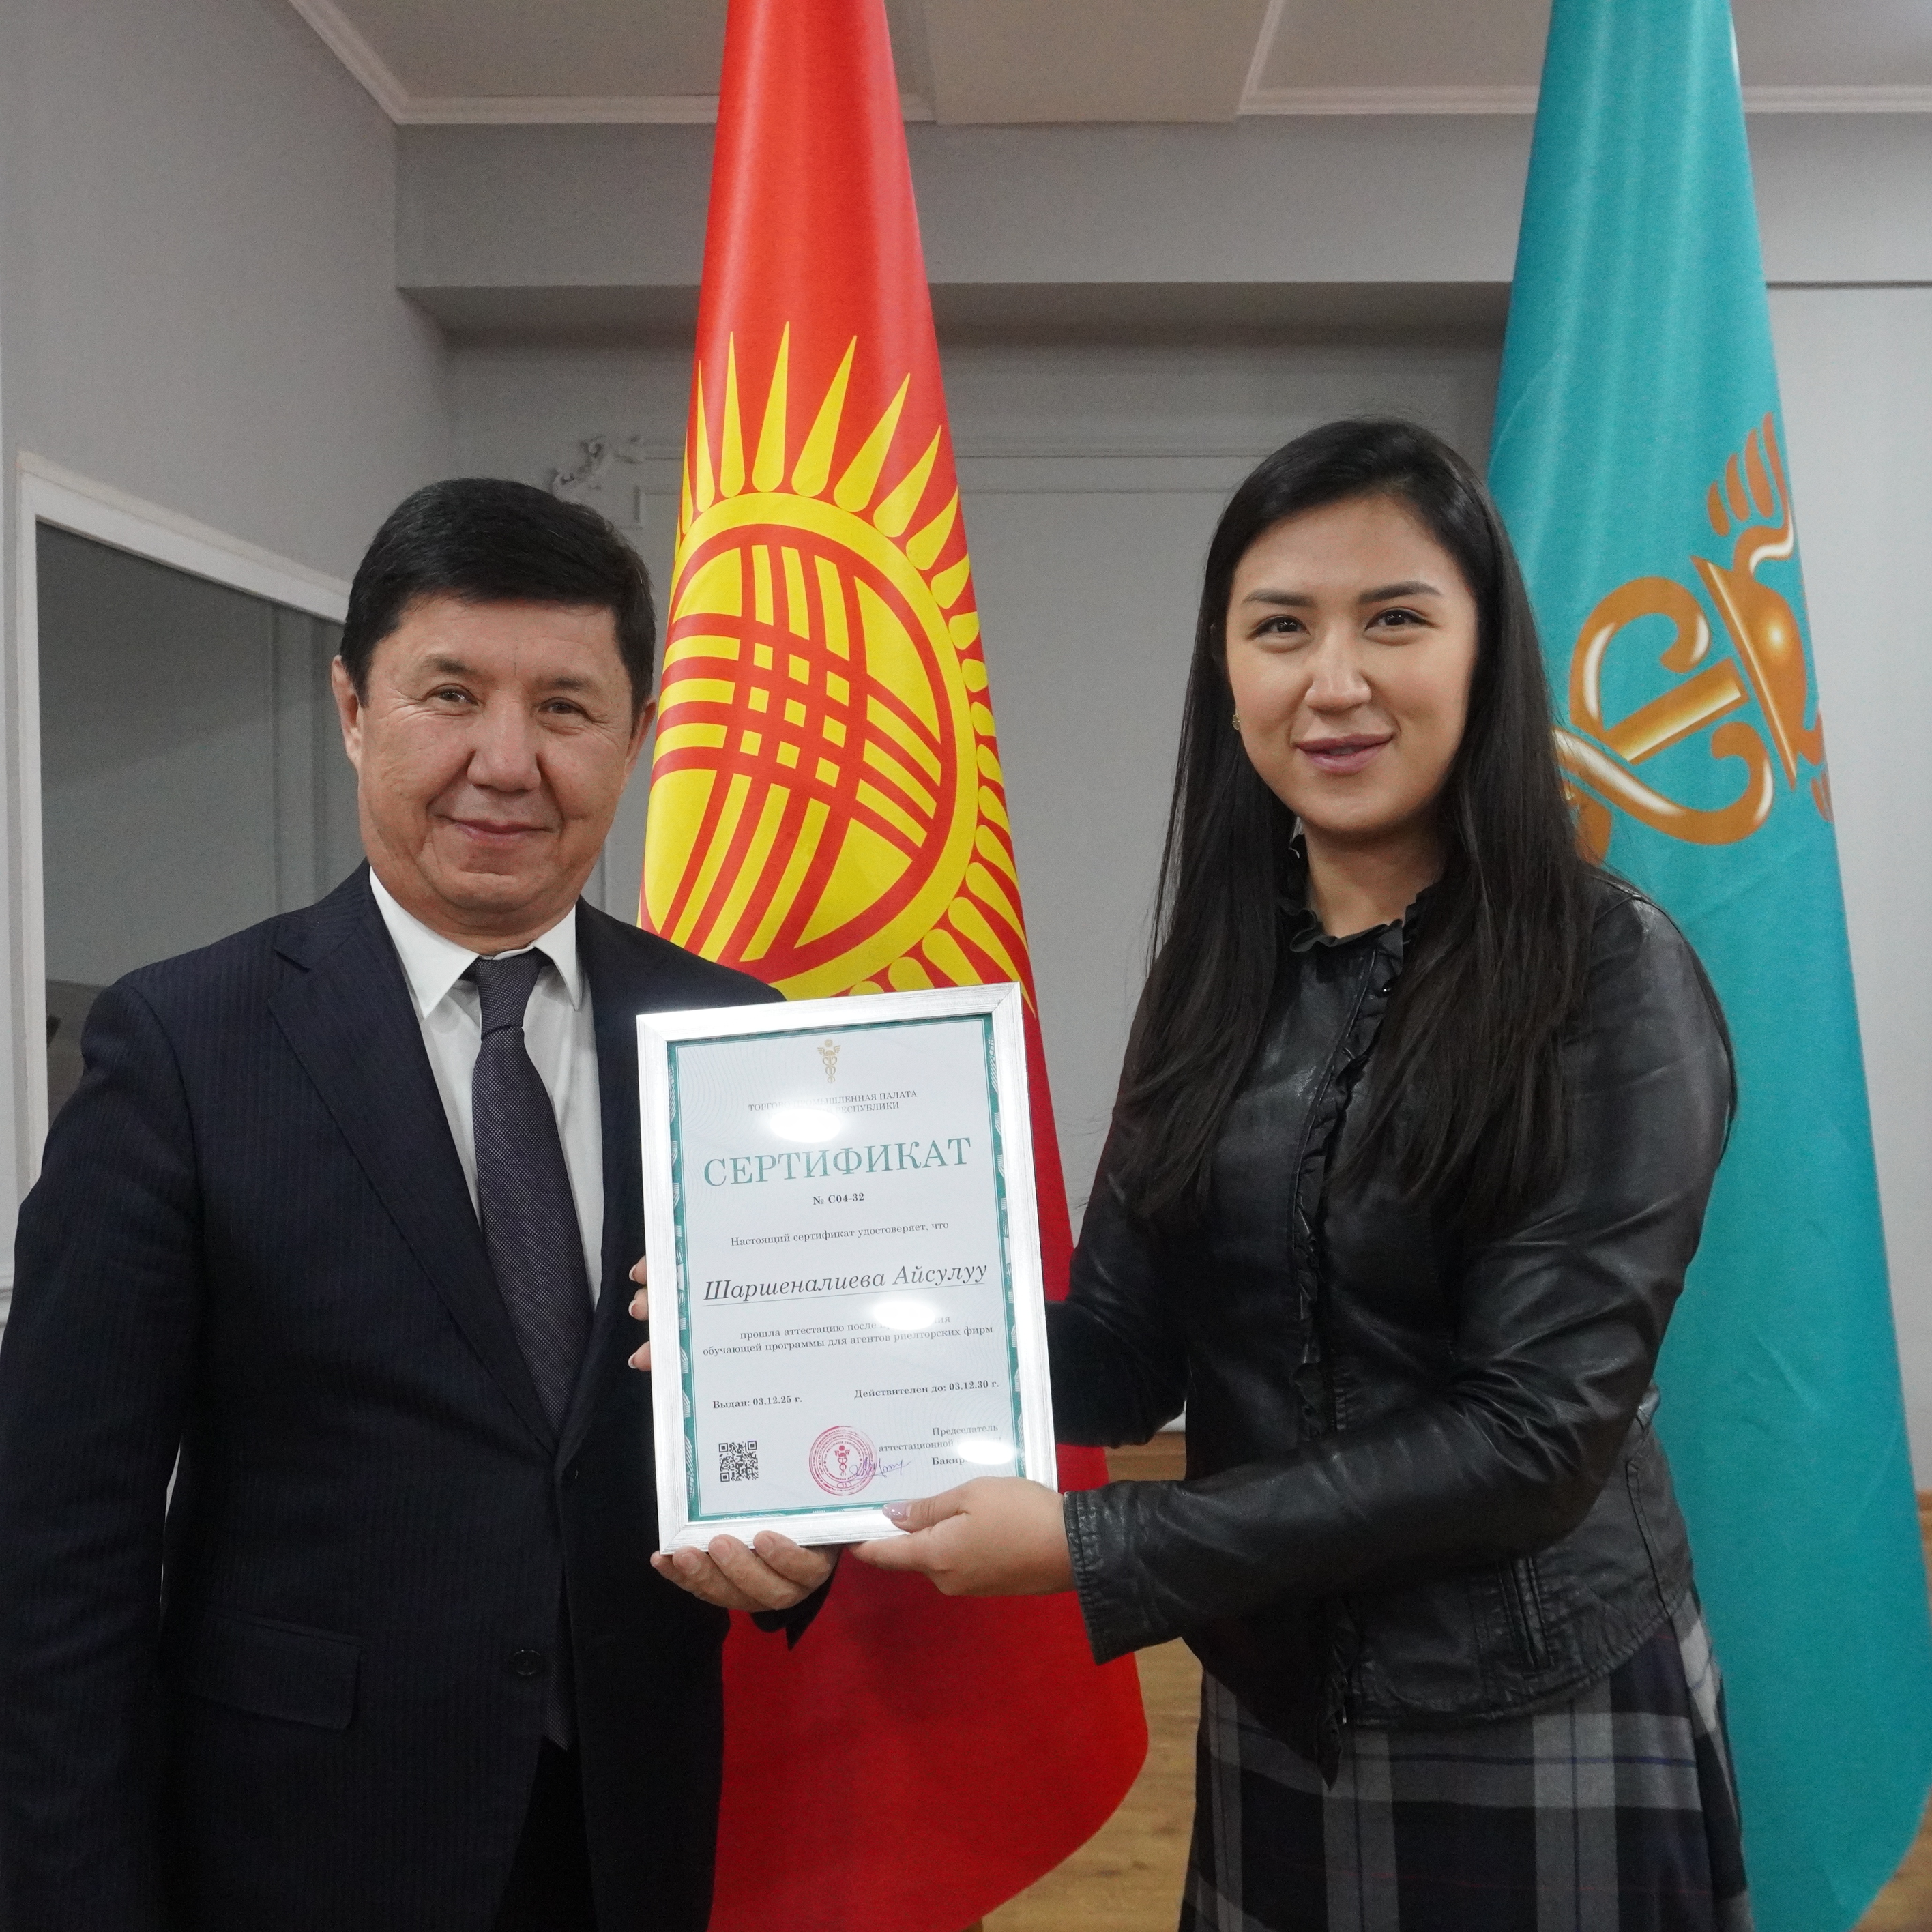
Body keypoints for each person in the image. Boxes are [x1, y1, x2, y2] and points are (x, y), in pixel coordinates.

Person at [846, 420, 1753, 1930]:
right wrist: (820, 1339)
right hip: (1276, 1699)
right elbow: (1123, 1350)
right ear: (1228, 670)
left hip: (1531, 1700)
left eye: (1394, 619)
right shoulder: (1216, 973)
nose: (1333, 681)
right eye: (1280, 628)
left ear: (1485, 655)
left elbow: (1535, 1438)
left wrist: (1099, 1547)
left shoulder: (1605, 969)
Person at [0, 479, 834, 1932]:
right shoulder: (186, 1047)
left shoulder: (731, 1037)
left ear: (637, 734)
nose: (504, 762)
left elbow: (792, 1390)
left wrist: (806, 1550)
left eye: (565, 708)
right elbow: (58, 1542)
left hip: (627, 1828)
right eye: (450, 695)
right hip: (302, 1843)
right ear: (353, 707)